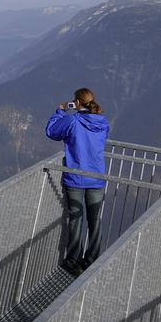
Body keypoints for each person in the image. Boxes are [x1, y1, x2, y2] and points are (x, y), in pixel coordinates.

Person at [46, 87, 110, 276]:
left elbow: (51, 131)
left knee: (76, 219)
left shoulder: (73, 121)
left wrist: (60, 110)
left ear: (77, 102)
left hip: (75, 176)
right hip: (97, 177)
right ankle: (91, 260)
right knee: (95, 220)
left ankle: (73, 261)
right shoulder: (103, 122)